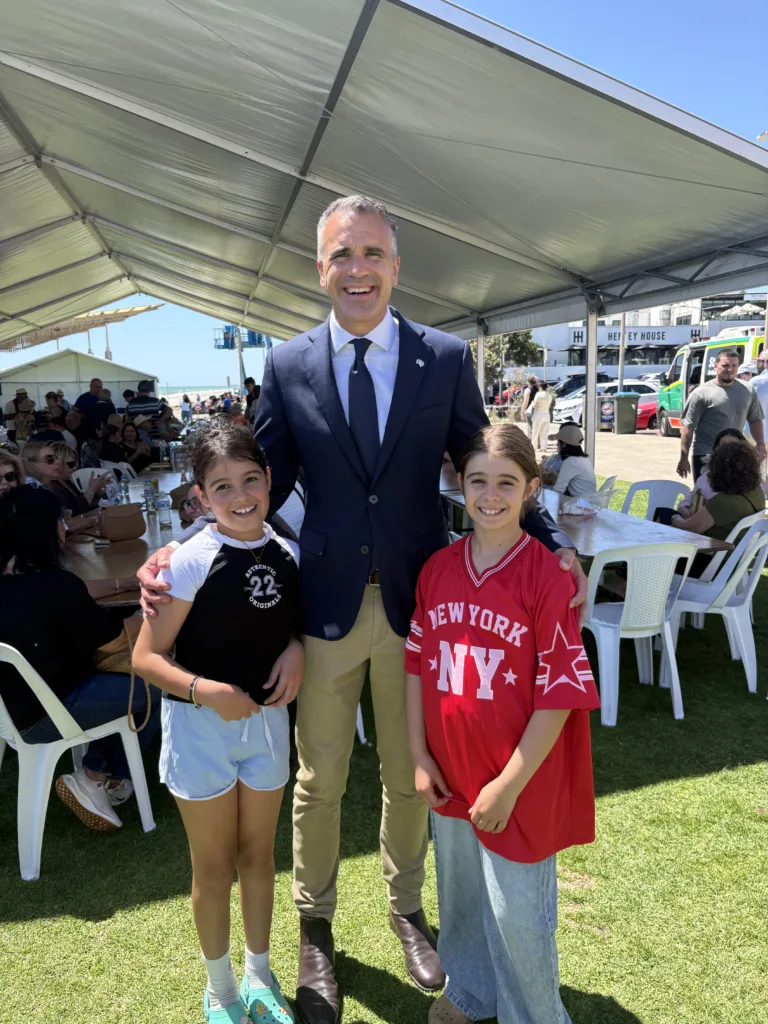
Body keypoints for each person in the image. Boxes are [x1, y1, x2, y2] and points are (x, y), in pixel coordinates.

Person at [137, 195, 586, 1022]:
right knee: (320, 776)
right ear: (320, 268)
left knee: (415, 774)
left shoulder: (445, 357)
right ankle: (315, 927)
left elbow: (488, 456)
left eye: (373, 253)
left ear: (395, 266)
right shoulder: (289, 365)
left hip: (426, 608)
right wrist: (182, 543)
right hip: (325, 609)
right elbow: (254, 477)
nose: (358, 269)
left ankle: (408, 908)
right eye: (342, 254)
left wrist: (549, 532)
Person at [405, 424, 599, 1024]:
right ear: (459, 484)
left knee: (517, 912)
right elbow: (416, 666)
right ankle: (470, 991)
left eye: (507, 483)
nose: (490, 495)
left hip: (520, 778)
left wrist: (509, 783)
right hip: (451, 768)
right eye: (478, 481)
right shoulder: (437, 569)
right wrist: (419, 754)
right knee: (460, 895)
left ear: (531, 489)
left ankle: (535, 1014)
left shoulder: (548, 576)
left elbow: (561, 693)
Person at [133, 422, 303, 1024]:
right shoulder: (188, 558)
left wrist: (296, 648)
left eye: (250, 479)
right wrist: (208, 693)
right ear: (201, 495)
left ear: (270, 480)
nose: (240, 496)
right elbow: (146, 658)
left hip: (267, 727)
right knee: (213, 865)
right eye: (222, 486)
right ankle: (221, 987)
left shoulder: (289, 552)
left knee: (259, 857)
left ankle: (260, 975)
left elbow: (281, 624)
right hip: (200, 730)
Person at [0, 486, 160, 831]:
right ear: (46, 530)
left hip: (13, 715)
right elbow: (117, 640)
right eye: (60, 520)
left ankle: (110, 778)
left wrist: (127, 584)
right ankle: (97, 774)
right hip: (55, 711)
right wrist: (156, 611)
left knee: (115, 687)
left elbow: (74, 592)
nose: (65, 527)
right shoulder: (56, 586)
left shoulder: (25, 583)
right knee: (157, 685)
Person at [678, 350, 765, 481]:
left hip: (735, 454)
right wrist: (683, 458)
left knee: (732, 495)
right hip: (706, 455)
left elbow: (755, 420)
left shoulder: (748, 390)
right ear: (716, 366)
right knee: (704, 496)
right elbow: (687, 429)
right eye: (725, 365)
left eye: (734, 366)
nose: (730, 369)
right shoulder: (701, 394)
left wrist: (760, 444)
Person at [670, 439, 765, 543]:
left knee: (666, 515)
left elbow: (688, 528)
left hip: (718, 556)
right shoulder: (757, 492)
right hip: (744, 555)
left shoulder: (724, 502)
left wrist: (675, 518)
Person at [549, 423, 597, 497]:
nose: (557, 445)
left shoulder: (571, 461)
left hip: (580, 505)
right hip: (588, 502)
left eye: (558, 442)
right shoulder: (583, 459)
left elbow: (558, 490)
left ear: (563, 444)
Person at [530, 380, 553, 451]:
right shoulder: (549, 395)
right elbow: (549, 405)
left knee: (535, 431)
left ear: (540, 387)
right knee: (545, 431)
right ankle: (543, 447)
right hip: (546, 413)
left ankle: (534, 447)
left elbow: (535, 405)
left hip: (538, 413)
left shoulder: (538, 394)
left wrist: (532, 403)